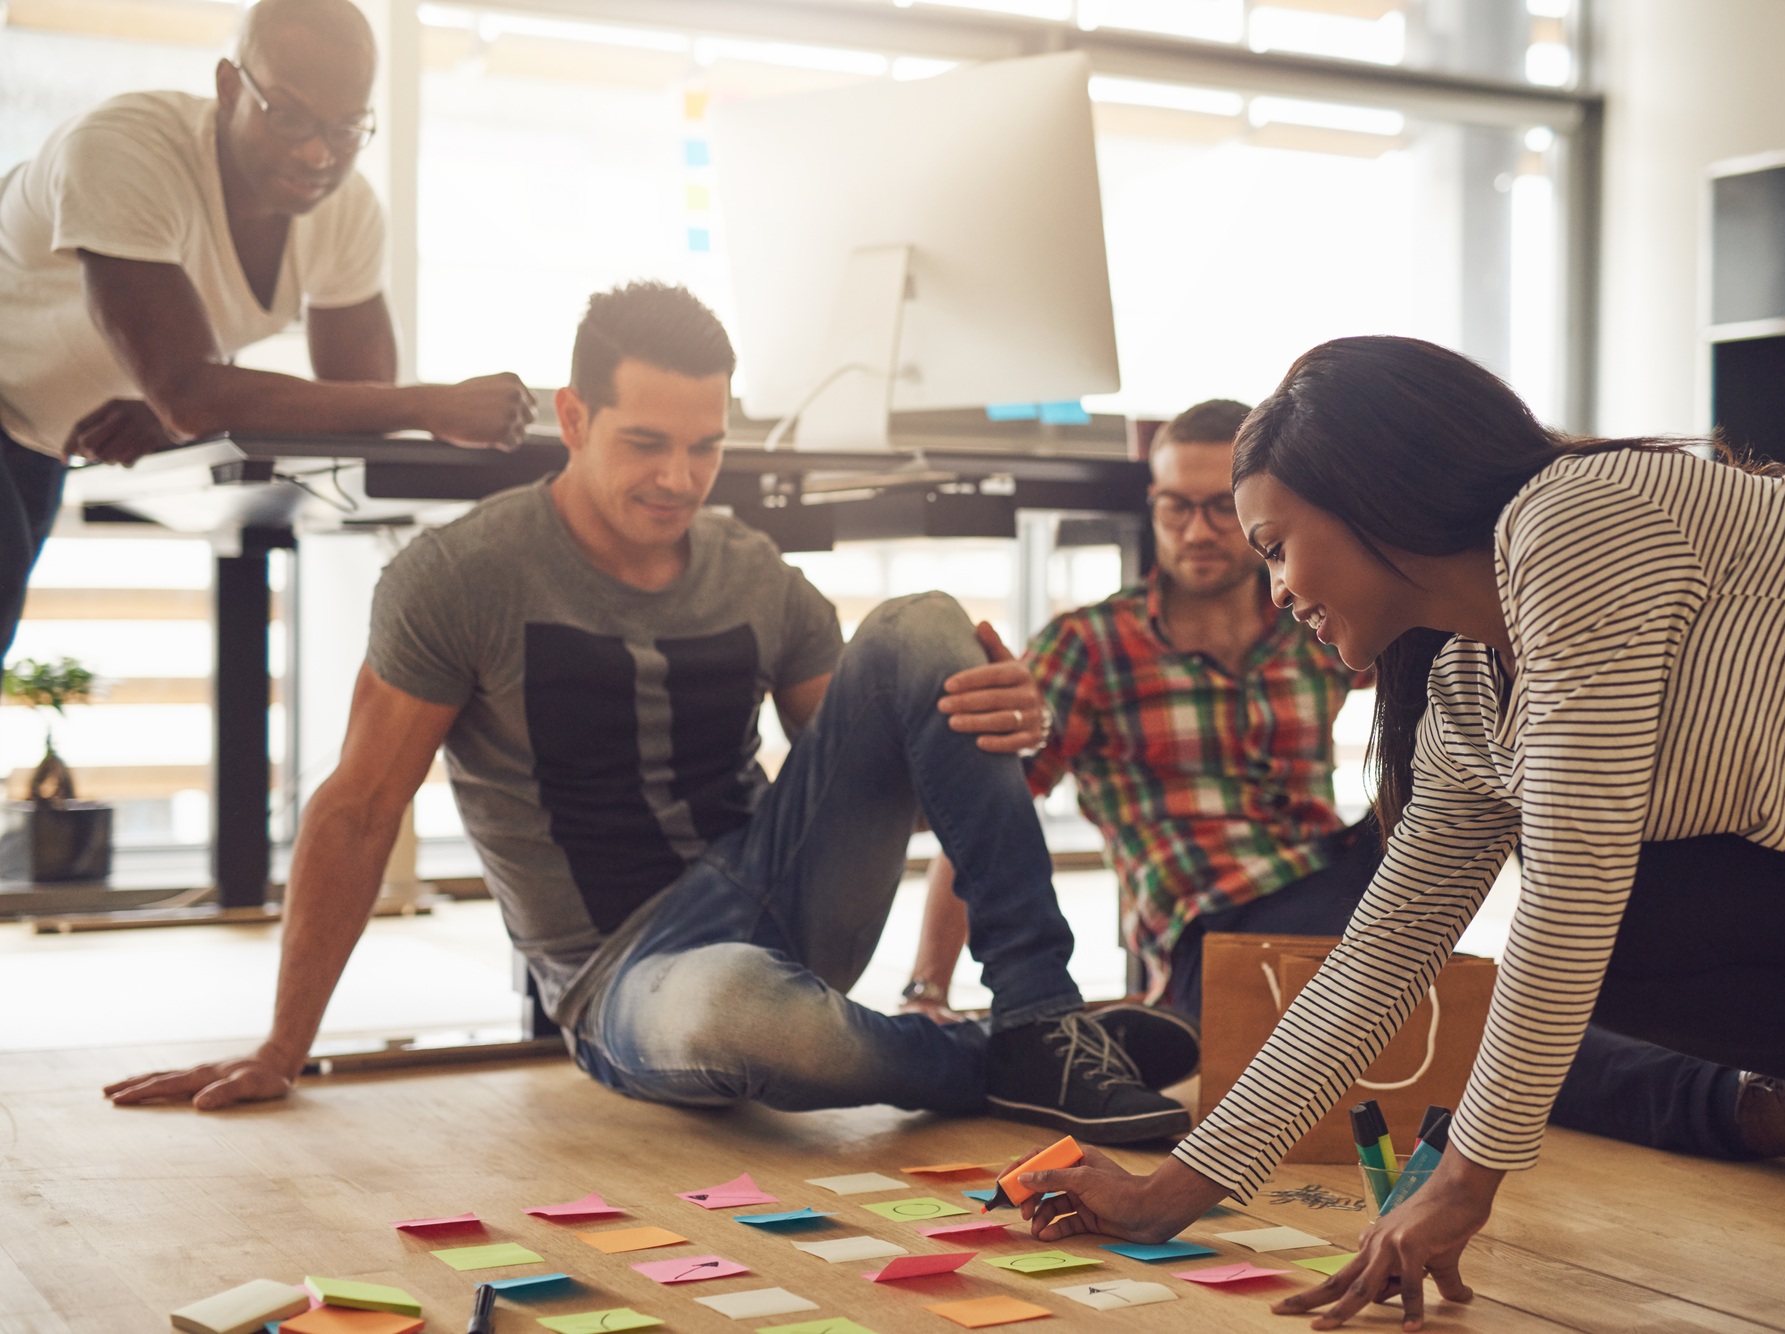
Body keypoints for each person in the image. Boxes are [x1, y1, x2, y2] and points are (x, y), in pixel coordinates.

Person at [1001, 337, 1785, 1333]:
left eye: (1272, 544)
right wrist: (1170, 1188)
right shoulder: (1468, 691)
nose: (1274, 592)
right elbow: (1379, 956)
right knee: (1639, 935)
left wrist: (1462, 1177)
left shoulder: (1580, 517)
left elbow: (1572, 882)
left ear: (1367, 494)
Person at [102, 280, 1196, 1145]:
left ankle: (1041, 1013)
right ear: (573, 418)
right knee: (738, 1011)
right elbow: (358, 805)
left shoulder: (751, 568)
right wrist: (284, 1045)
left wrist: (980, 712)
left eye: (705, 445)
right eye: (646, 443)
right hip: (624, 978)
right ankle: (988, 1059)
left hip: (779, 889)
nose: (681, 477)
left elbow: (877, 788)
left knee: (920, 627)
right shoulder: (458, 576)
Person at [907, 397, 1785, 1174]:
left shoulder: (1312, 611)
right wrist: (927, 983)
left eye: (1226, 508)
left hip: (1346, 870)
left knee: (1514, 991)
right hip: (1215, 919)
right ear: (1152, 508)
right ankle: (1746, 1104)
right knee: (1460, 1027)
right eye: (1177, 503)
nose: (1201, 528)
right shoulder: (1090, 643)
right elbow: (985, 819)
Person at [0, 0, 537, 659]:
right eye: (288, 115)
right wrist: (433, 403)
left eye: (346, 128)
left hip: (36, 439)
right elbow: (192, 390)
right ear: (230, 87)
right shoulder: (125, 149)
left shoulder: (345, 213)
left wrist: (176, 416)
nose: (317, 153)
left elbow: (357, 405)